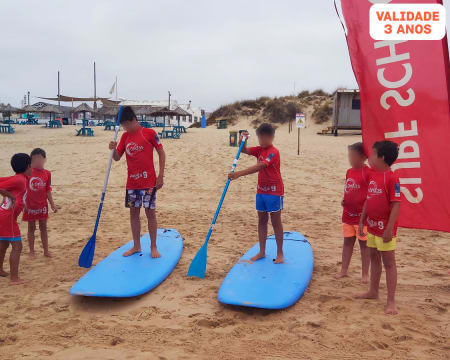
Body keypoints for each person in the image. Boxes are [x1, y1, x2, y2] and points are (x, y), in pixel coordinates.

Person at [109, 106, 165, 258]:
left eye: (126, 124)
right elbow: (117, 157)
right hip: (132, 184)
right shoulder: (125, 137)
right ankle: (136, 246)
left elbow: (161, 152)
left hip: (149, 183)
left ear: (133, 120)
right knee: (133, 214)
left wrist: (161, 176)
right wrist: (112, 149)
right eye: (122, 126)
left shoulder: (149, 133)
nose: (125, 128)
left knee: (150, 213)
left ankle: (153, 247)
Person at [228, 123, 285, 263]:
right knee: (262, 220)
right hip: (261, 190)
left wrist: (239, 174)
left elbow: (260, 166)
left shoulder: (273, 152)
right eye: (260, 138)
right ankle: (262, 251)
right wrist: (244, 139)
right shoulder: (259, 150)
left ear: (272, 137)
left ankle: (280, 253)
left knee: (276, 221)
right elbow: (244, 150)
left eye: (265, 138)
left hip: (274, 191)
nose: (262, 141)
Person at [356, 140, 401, 315]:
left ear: (382, 157)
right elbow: (368, 199)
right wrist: (362, 220)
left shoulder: (392, 178)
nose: (369, 157)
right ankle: (373, 291)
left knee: (389, 263)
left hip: (385, 229)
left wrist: (389, 229)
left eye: (373, 154)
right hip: (372, 226)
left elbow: (396, 204)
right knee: (374, 258)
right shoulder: (373, 175)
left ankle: (391, 301)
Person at [336, 142, 370, 283]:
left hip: (362, 218)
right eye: (349, 155)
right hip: (347, 215)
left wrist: (364, 215)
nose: (350, 158)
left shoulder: (368, 172)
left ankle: (365, 274)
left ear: (362, 157)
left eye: (352, 156)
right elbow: (348, 188)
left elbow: (369, 195)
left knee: (364, 246)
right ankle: (344, 270)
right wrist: (344, 200)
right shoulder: (349, 171)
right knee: (347, 243)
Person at [0, 153, 32, 285]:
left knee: (4, 244)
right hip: (7, 218)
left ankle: (0, 270)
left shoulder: (19, 178)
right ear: (28, 166)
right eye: (31, 166)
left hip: (3, 215)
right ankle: (14, 278)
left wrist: (7, 194)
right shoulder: (19, 179)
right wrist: (8, 195)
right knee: (17, 246)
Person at [22, 148, 57, 258]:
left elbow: (48, 190)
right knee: (31, 228)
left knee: (43, 227)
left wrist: (52, 204)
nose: (37, 161)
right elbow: (22, 189)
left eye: (39, 159)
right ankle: (31, 251)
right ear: (30, 161)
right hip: (30, 206)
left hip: (42, 206)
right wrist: (23, 204)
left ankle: (46, 251)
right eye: (34, 159)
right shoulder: (27, 173)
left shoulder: (47, 173)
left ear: (45, 159)